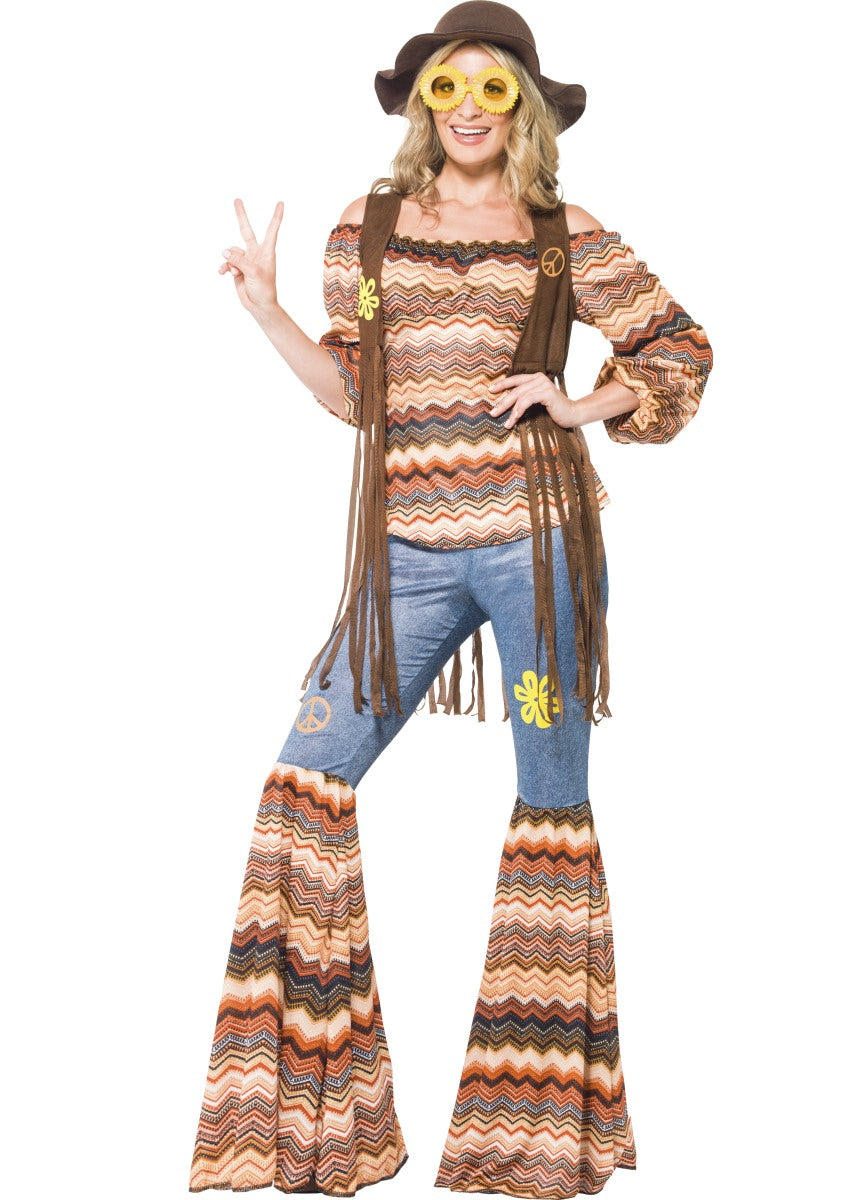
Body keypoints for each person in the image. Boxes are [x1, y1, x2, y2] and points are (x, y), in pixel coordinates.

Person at [189, 2, 713, 1196]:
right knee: (303, 783)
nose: (469, 108)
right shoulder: (368, 232)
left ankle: (535, 1139)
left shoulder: (563, 234)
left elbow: (679, 349)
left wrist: (580, 402)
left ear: (522, 106)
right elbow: (354, 392)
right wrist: (268, 312)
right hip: (406, 565)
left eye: (492, 88)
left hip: (539, 553)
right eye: (447, 87)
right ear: (421, 104)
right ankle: (313, 1128)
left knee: (549, 806)